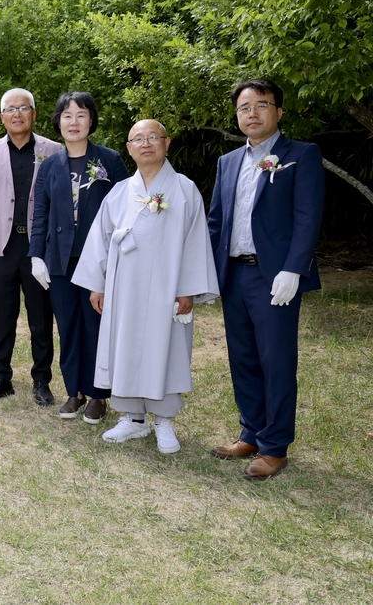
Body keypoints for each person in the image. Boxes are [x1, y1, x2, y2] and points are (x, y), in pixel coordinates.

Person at [72, 120, 219, 454]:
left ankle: (164, 421)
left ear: (166, 143)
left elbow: (196, 240)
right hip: (125, 287)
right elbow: (101, 239)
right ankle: (132, 418)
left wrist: (188, 288)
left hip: (167, 288)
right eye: (138, 138)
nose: (146, 143)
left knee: (165, 347)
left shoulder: (184, 189)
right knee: (123, 345)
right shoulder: (120, 191)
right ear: (129, 148)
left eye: (154, 137)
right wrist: (98, 284)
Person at [207, 80, 325, 480]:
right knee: (242, 357)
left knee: (276, 360)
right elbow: (216, 222)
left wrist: (295, 268)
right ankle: (251, 433)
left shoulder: (301, 155)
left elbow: (308, 216)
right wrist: (204, 272)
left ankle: (275, 446)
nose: (251, 113)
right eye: (243, 107)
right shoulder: (227, 162)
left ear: (279, 111)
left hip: (274, 276)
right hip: (233, 275)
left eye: (261, 105)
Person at [29, 92, 129, 424]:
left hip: (99, 262)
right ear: (58, 121)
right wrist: (36, 256)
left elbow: (127, 210)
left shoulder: (110, 160)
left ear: (91, 120)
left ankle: (99, 394)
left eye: (81, 115)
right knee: (69, 327)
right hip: (60, 261)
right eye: (67, 115)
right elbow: (40, 214)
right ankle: (75, 391)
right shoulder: (49, 165)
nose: (74, 121)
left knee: (96, 327)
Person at [0, 88, 58, 405]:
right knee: (2, 317)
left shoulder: (54, 150)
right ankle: (1, 379)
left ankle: (41, 380)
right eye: (10, 109)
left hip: (38, 249)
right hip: (0, 249)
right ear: (2, 117)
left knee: (40, 319)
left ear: (34, 113)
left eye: (24, 107)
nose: (17, 113)